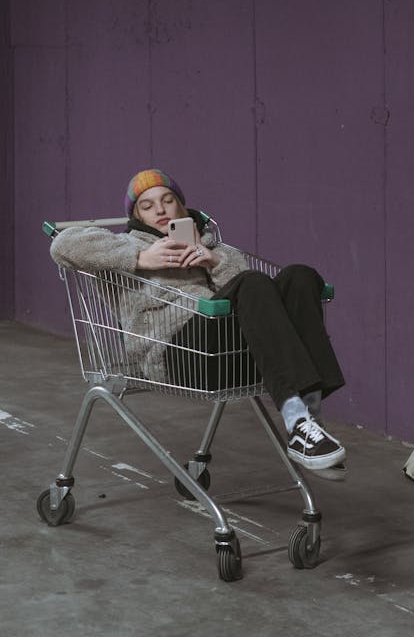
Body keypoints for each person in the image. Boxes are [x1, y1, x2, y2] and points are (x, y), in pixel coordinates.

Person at [50, 169, 347, 473]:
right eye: (148, 205)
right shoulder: (125, 247)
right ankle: (297, 420)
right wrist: (141, 258)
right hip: (176, 353)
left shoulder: (211, 245)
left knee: (300, 276)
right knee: (254, 282)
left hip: (229, 351)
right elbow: (63, 246)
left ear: (182, 205)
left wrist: (212, 260)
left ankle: (307, 416)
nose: (161, 210)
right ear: (136, 216)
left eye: (168, 200)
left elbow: (255, 297)